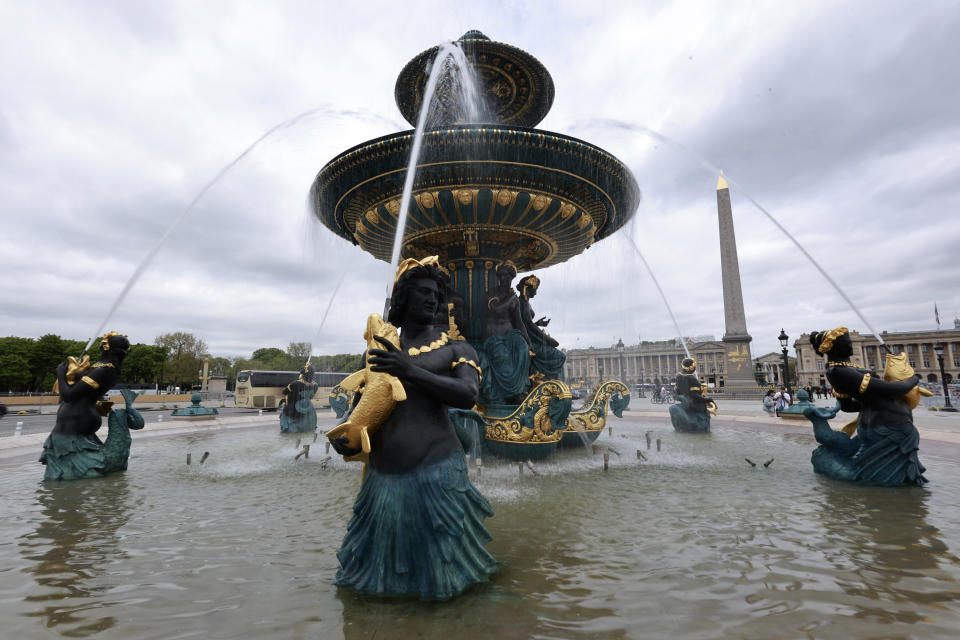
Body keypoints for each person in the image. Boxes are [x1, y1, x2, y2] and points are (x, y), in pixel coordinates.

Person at [329, 256, 497, 599]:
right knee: (372, 577)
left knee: (442, 572)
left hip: (435, 470)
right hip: (383, 476)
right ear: (403, 298)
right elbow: (361, 407)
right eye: (423, 292)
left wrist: (410, 371)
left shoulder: (457, 349)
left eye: (436, 293)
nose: (433, 299)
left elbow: (467, 395)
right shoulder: (377, 352)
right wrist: (347, 433)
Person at [805, 326, 928, 485]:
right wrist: (913, 378)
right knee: (886, 479)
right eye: (847, 342)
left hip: (878, 424)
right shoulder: (841, 371)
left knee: (885, 474)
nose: (851, 345)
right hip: (889, 427)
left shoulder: (840, 369)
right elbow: (892, 389)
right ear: (835, 346)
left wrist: (870, 401)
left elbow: (847, 406)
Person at [40, 332, 143, 480]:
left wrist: (61, 374)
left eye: (102, 343)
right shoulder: (104, 368)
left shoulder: (103, 370)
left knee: (67, 473)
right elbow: (69, 394)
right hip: (81, 418)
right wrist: (73, 374)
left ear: (105, 347)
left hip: (75, 421)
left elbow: (69, 396)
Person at [477, 261, 532, 404]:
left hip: (510, 334)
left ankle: (519, 390)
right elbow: (496, 309)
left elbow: (519, 322)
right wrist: (511, 299)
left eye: (506, 275)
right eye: (500, 275)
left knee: (523, 348)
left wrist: (529, 343)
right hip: (493, 336)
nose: (503, 278)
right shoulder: (491, 293)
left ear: (512, 277)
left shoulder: (513, 298)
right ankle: (510, 394)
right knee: (503, 355)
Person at [516, 275, 565, 381]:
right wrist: (547, 339)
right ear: (528, 289)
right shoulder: (522, 302)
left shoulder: (524, 302)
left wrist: (537, 323)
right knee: (560, 356)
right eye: (535, 289)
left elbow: (527, 323)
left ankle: (545, 379)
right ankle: (547, 382)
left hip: (530, 337)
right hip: (527, 340)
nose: (536, 293)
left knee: (557, 353)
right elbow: (528, 324)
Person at [279, 363, 318, 433]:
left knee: (285, 417)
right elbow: (311, 396)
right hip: (307, 407)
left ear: (303, 374)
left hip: (293, 408)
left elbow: (284, 392)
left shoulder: (295, 383)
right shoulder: (315, 385)